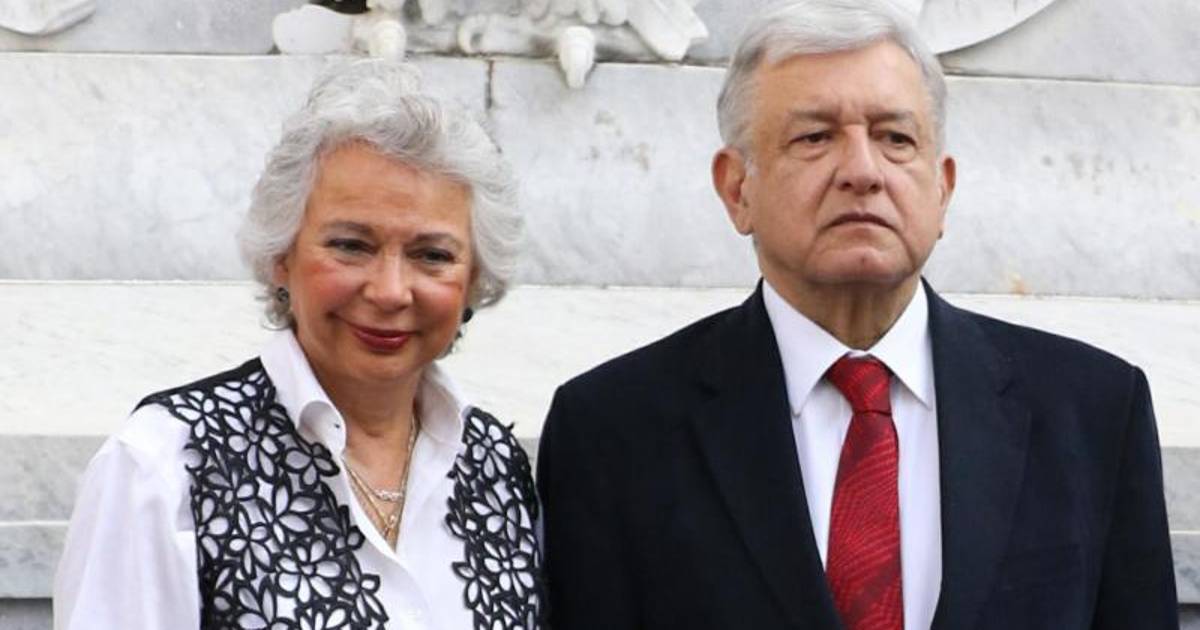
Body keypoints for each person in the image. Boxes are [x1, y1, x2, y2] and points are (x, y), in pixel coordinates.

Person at [536, 1, 1178, 628]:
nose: (863, 171)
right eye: (815, 138)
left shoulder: (1091, 413)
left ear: (943, 188)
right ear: (737, 189)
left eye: (895, 138)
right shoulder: (614, 430)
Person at [54, 59, 545, 630]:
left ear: (474, 277)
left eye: (432, 255)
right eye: (351, 245)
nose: (390, 291)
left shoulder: (494, 467)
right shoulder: (162, 466)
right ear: (281, 255)